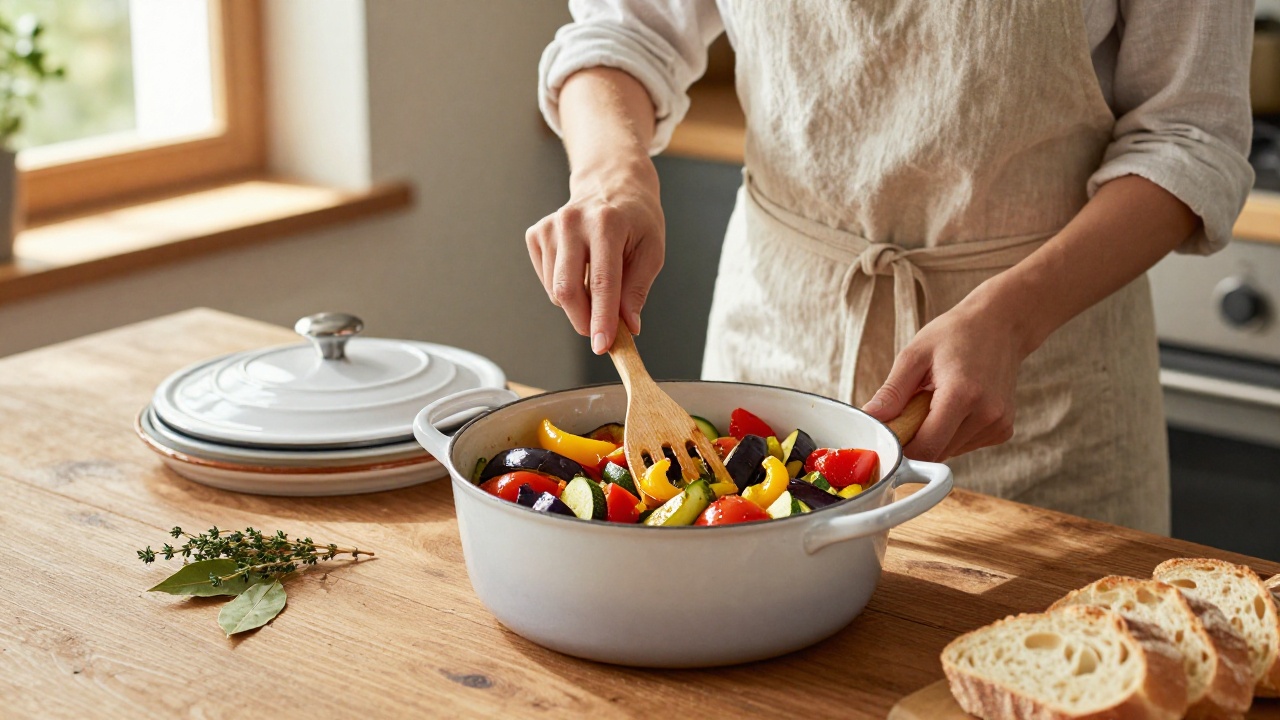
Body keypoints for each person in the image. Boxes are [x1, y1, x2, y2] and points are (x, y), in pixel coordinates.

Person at [526, 1, 1254, 534]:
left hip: (1045, 379)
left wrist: (1012, 317)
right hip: (779, 342)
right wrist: (610, 177)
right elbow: (623, 30)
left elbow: (1191, 135)